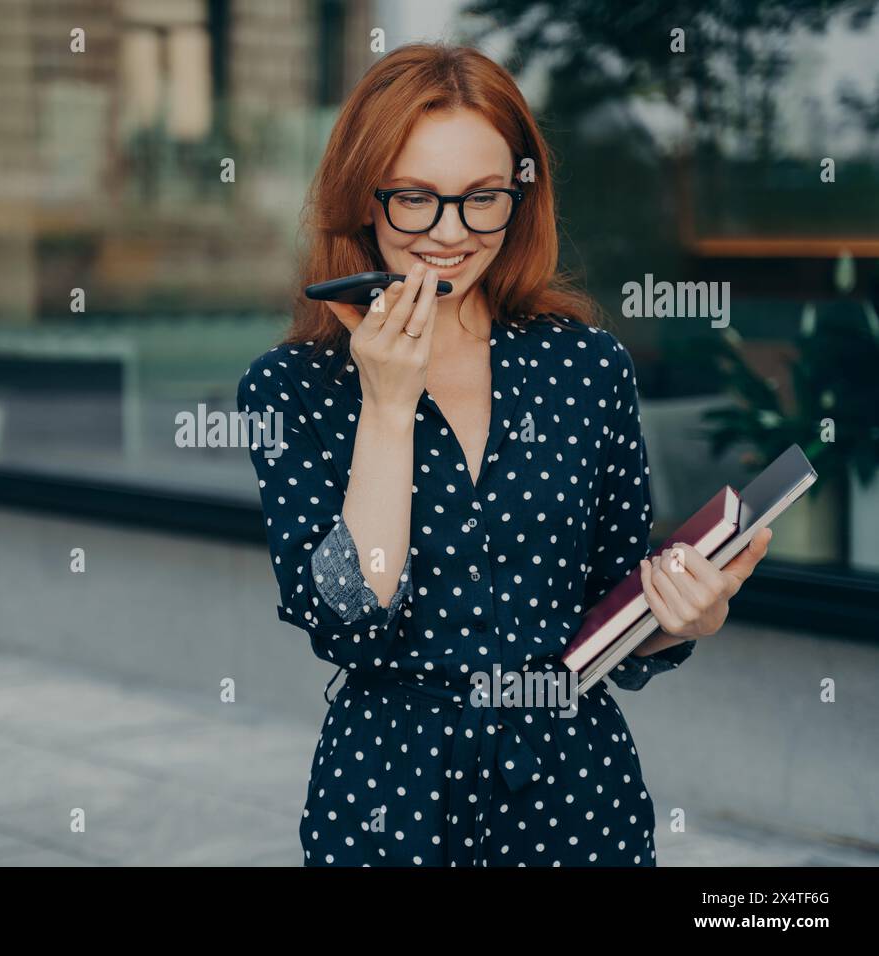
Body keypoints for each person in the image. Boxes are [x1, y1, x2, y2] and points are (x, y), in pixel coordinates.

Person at [236, 42, 771, 867]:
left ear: (518, 198)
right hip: (389, 794)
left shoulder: (586, 367)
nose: (449, 234)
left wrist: (684, 619)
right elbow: (349, 620)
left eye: (482, 198)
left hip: (574, 793)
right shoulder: (292, 388)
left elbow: (611, 609)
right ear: (362, 199)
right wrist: (386, 404)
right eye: (415, 198)